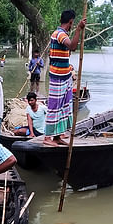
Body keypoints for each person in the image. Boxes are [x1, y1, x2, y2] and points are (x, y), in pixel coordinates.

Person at [46, 9, 86, 146]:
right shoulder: (60, 34)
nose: (72, 25)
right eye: (72, 23)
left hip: (65, 76)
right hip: (57, 77)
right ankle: (47, 138)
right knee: (54, 106)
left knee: (64, 107)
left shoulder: (62, 34)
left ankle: (57, 137)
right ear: (70, 22)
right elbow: (73, 46)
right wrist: (78, 30)